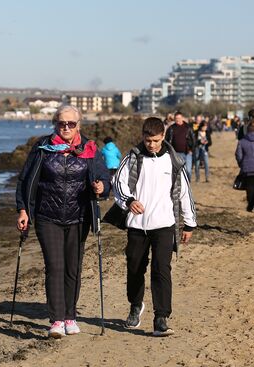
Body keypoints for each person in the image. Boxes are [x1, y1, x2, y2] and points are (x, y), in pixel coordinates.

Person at [16, 105, 111, 338]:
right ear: (55, 124)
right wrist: (23, 210)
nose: (66, 127)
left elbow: (104, 178)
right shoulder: (42, 148)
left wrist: (101, 186)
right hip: (48, 217)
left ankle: (70, 316)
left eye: (71, 124)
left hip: (79, 217)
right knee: (55, 267)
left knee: (73, 268)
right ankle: (56, 320)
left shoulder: (89, 148)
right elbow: (25, 180)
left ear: (79, 125)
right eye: (61, 123)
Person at [113, 117, 197, 337]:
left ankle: (161, 317)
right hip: (137, 226)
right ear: (143, 136)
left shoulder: (174, 161)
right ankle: (135, 305)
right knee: (134, 268)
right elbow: (118, 184)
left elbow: (184, 193)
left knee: (161, 270)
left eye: (156, 140)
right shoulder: (132, 157)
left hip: (164, 225)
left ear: (163, 137)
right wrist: (129, 201)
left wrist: (189, 223)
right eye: (148, 140)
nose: (152, 144)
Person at [165, 111, 195, 181]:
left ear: (182, 118)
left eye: (179, 118)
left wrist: (191, 150)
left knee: (188, 171)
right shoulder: (171, 128)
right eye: (176, 118)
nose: (178, 120)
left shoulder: (188, 128)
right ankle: (181, 186)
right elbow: (167, 141)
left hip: (187, 153)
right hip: (176, 154)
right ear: (174, 119)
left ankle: (188, 184)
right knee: (179, 172)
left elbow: (193, 140)